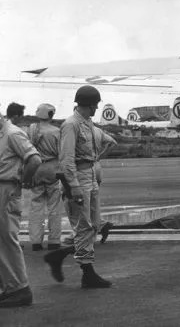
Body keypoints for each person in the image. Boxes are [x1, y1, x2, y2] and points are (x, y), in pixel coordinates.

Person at [43, 86, 114, 289]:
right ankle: (87, 274)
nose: (96, 107)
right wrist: (73, 186)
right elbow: (66, 160)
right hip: (78, 179)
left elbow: (107, 143)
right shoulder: (71, 125)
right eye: (95, 104)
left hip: (89, 176)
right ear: (88, 104)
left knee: (92, 226)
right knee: (83, 226)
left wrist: (94, 161)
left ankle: (59, 256)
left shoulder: (88, 124)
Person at [0, 109, 41, 307]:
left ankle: (20, 289)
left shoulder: (12, 133)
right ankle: (9, 287)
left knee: (7, 239)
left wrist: (23, 183)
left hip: (7, 189)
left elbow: (34, 159)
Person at [26, 103, 63, 252]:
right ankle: (54, 240)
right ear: (51, 114)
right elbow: (62, 153)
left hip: (36, 168)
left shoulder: (31, 130)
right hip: (52, 168)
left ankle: (36, 241)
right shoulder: (56, 131)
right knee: (54, 206)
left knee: (36, 206)